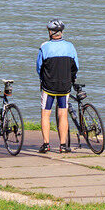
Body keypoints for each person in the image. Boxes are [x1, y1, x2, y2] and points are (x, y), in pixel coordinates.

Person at [36, 20, 79, 154]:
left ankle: (46, 144)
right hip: (65, 86)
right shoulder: (70, 46)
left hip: (48, 86)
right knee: (63, 114)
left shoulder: (44, 46)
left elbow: (39, 68)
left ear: (50, 32)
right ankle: (63, 145)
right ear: (62, 32)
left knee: (45, 114)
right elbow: (76, 67)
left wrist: (43, 78)